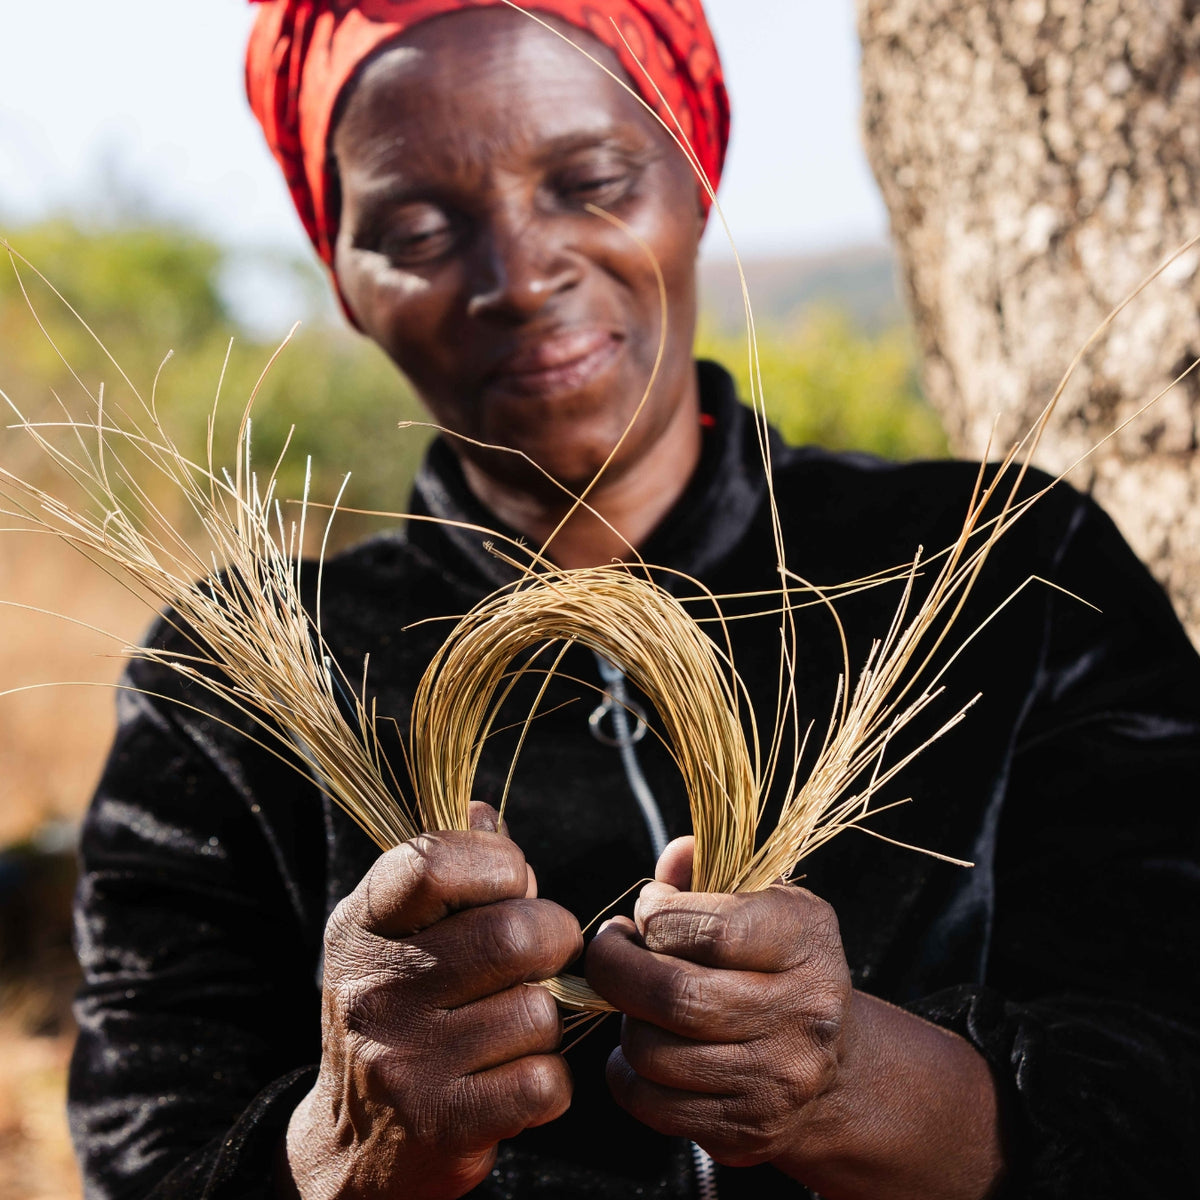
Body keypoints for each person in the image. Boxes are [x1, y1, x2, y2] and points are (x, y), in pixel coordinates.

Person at [67, 2, 1200, 1198]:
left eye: (590, 179)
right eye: (413, 226)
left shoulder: (1000, 572)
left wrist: (874, 1086)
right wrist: (344, 1148)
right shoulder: (240, 681)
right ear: (343, 276)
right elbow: (146, 1162)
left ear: (695, 174)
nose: (520, 273)